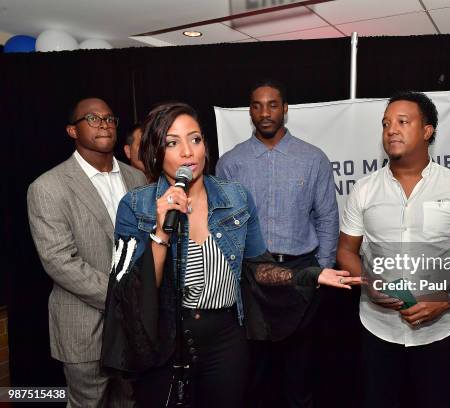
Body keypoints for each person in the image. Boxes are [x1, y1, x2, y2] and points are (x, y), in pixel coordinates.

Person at [100, 102, 360, 408]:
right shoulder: (135, 206)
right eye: (173, 143)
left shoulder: (235, 198)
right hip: (167, 340)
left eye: (195, 139)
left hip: (227, 340)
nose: (188, 152)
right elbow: (130, 293)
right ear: (156, 152)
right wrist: (161, 233)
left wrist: (310, 273)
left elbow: (259, 269)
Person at [336, 91, 450, 408]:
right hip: (377, 330)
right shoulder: (364, 189)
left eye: (403, 122)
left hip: (440, 333)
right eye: (386, 123)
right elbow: (346, 251)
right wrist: (369, 282)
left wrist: (445, 300)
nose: (391, 129)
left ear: (427, 131)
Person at [216, 80, 339, 407]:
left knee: (299, 375)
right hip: (249, 279)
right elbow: (223, 226)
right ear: (250, 112)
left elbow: (327, 218)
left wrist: (320, 273)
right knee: (253, 375)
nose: (265, 112)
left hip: (300, 274)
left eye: (272, 105)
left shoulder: (313, 159)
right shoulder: (231, 163)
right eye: (257, 105)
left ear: (285, 109)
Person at [27, 97, 146, 406]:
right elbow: (59, 261)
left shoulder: (137, 179)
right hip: (85, 326)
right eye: (92, 119)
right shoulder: (49, 187)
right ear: (72, 131)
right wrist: (124, 296)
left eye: (109, 118)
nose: (104, 123)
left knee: (130, 401)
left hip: (136, 327)